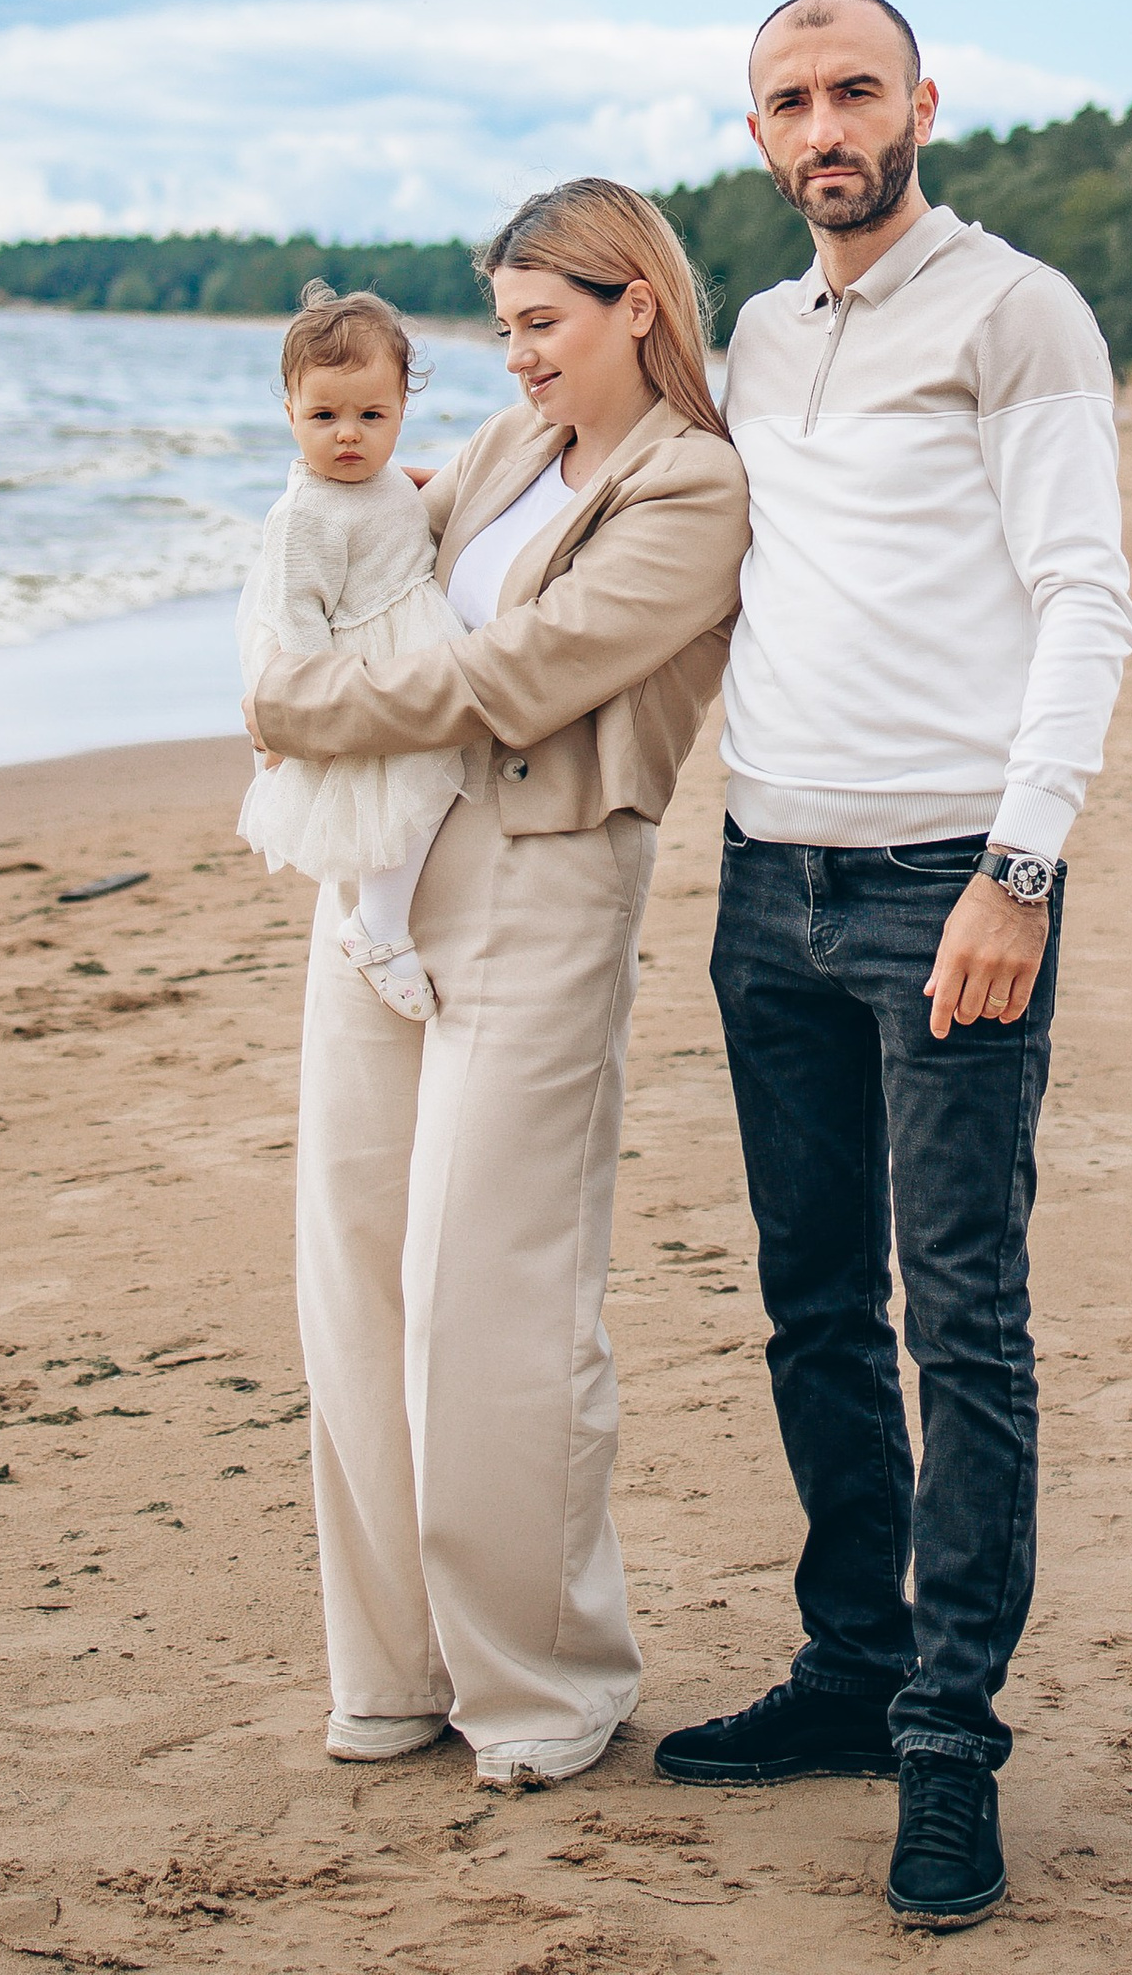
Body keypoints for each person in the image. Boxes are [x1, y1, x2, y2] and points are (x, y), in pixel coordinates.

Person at [655, 0, 1132, 1936]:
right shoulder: (758, 337)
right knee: (808, 1307)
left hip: (950, 880)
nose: (823, 124)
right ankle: (849, 1670)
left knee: (961, 1319)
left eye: (854, 88)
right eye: (788, 100)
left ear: (920, 105)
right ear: (759, 135)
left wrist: (1018, 869)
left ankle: (947, 1739)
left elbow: (1081, 592)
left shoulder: (1011, 310)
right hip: (766, 879)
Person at [243, 179, 749, 1793]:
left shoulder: (694, 490)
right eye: (505, 326)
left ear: (636, 309)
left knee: (496, 1303)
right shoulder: (505, 454)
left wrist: (300, 702)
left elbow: (509, 673)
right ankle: (393, 1672)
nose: (516, 359)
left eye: (543, 325)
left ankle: (542, 1687)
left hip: (540, 895)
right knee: (357, 1280)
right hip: (380, 882)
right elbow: (374, 548)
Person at [236, 284, 469, 1020]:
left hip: (409, 644)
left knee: (431, 780)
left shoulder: (387, 477)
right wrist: (317, 714)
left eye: (372, 416)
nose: (348, 436)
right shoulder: (302, 513)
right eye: (324, 417)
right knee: (398, 797)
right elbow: (295, 617)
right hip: (360, 674)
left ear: (402, 409)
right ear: (290, 416)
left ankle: (388, 916)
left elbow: (407, 516)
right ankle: (378, 925)